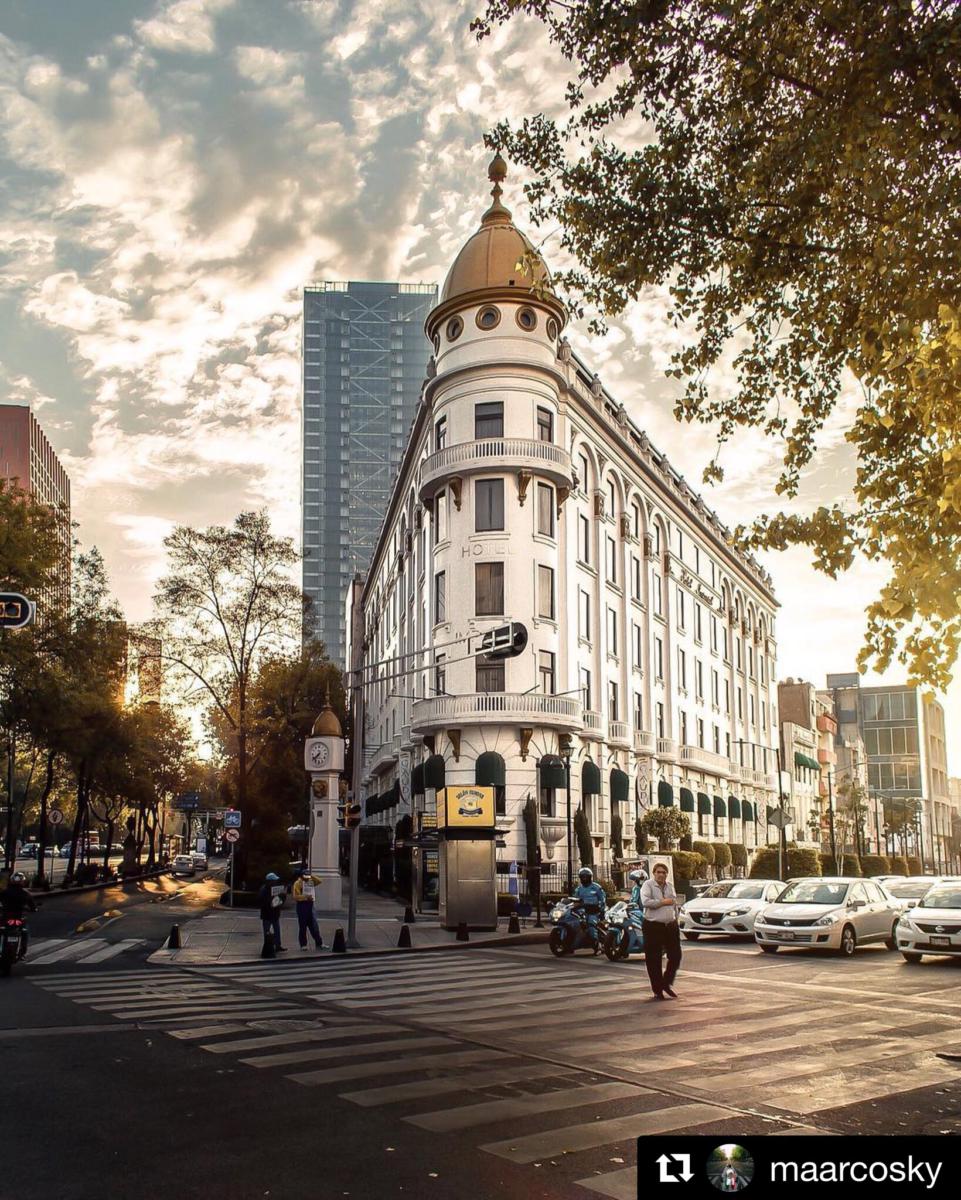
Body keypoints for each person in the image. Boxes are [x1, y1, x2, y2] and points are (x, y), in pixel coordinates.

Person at [639, 861, 681, 999]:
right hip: (653, 925)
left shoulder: (670, 886)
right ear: (654, 873)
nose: (661, 875)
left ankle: (666, 983)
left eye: (664, 872)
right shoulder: (648, 885)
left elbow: (673, 901)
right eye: (659, 872)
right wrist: (663, 902)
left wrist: (675, 918)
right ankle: (657, 990)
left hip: (670, 925)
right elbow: (646, 902)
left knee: (675, 955)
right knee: (653, 958)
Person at [1, 871, 38, 959]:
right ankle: (22, 953)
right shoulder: (26, 893)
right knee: (25, 932)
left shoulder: (4, 892)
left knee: (2, 929)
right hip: (19, 917)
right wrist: (34, 909)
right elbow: (32, 906)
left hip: (6, 916)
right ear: (23, 882)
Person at [573, 866, 607, 951]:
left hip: (594, 911)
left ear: (590, 877)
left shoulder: (596, 887)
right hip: (582, 911)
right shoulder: (579, 889)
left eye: (586, 877)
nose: (584, 878)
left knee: (591, 925)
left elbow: (602, 899)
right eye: (582, 877)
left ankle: (597, 945)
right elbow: (575, 900)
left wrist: (601, 909)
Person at [292, 867, 324, 951]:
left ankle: (319, 942)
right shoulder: (298, 883)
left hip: (310, 905)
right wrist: (306, 897)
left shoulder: (310, 881)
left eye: (308, 876)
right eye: (305, 876)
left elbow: (319, 881)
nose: (307, 878)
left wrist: (311, 876)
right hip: (302, 906)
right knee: (303, 926)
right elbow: (295, 897)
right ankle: (303, 944)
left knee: (313, 926)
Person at [257, 871, 287, 954]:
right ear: (270, 881)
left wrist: (282, 896)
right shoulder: (264, 890)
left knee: (277, 930)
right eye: (274, 881)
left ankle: (277, 945)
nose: (276, 882)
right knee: (267, 931)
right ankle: (268, 946)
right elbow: (264, 902)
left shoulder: (274, 889)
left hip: (274, 914)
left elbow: (279, 902)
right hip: (267, 914)